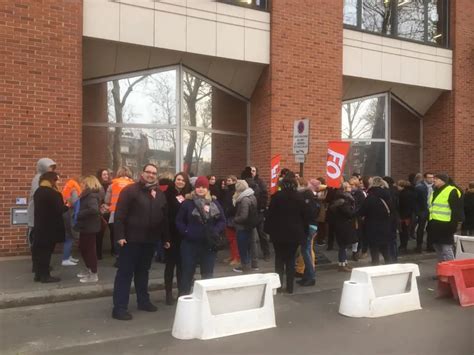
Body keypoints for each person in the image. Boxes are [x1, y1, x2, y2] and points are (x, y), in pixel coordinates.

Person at [112, 164, 170, 321]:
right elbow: (120, 215)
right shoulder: (130, 191)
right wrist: (120, 236)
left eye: (154, 173)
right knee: (125, 273)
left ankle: (143, 301)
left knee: (143, 272)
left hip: (149, 241)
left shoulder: (159, 193)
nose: (151, 175)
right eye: (148, 172)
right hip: (130, 240)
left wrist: (165, 239)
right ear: (142, 173)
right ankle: (119, 308)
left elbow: (163, 218)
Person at [176, 176, 226, 295]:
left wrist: (215, 230)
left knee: (207, 275)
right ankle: (184, 297)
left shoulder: (214, 202)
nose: (200, 189)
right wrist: (186, 231)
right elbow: (179, 221)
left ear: (207, 189)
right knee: (187, 273)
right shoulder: (188, 203)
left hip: (208, 244)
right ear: (195, 188)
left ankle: (205, 299)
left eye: (203, 187)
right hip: (190, 244)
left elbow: (222, 220)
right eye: (198, 187)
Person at [265, 173, 309, 294]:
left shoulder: (276, 197)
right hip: (294, 234)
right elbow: (305, 217)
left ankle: (278, 286)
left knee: (279, 259)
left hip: (278, 233)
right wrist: (304, 233)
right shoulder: (299, 198)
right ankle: (290, 287)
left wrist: (268, 230)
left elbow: (269, 216)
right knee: (290, 260)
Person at [32, 171, 67, 283]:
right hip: (50, 228)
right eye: (56, 180)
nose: (58, 182)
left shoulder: (38, 191)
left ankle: (38, 274)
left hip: (39, 226)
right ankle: (45, 276)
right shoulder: (53, 193)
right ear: (52, 180)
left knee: (40, 252)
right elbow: (60, 209)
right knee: (46, 253)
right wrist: (67, 206)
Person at [164, 172, 192, 305]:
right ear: (174, 180)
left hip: (184, 236)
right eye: (178, 179)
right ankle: (168, 294)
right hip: (171, 235)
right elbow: (164, 216)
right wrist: (166, 237)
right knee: (170, 265)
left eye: (183, 180)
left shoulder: (188, 195)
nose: (180, 182)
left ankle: (182, 292)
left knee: (182, 266)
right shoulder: (168, 194)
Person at [27, 158, 57, 272]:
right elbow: (41, 195)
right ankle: (38, 266)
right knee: (37, 243)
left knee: (41, 243)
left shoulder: (45, 179)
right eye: (50, 167)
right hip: (37, 217)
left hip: (41, 216)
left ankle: (41, 266)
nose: (52, 169)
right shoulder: (38, 179)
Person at [427, 174, 463, 262]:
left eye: (436, 179)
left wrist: (453, 226)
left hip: (446, 225)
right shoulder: (435, 191)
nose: (433, 181)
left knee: (446, 249)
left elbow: (456, 210)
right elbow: (432, 208)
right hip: (435, 224)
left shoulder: (451, 191)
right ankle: (442, 272)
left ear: (442, 180)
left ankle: (451, 272)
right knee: (438, 248)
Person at [359, 176, 393, 265]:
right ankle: (390, 269)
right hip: (386, 226)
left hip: (372, 227)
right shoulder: (388, 196)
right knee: (385, 251)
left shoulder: (370, 197)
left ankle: (376, 268)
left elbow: (362, 212)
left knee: (374, 252)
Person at [74, 176, 102, 283]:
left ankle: (93, 274)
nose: (81, 185)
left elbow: (93, 209)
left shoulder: (91, 196)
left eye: (83, 183)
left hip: (89, 227)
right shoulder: (88, 195)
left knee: (89, 250)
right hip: (86, 226)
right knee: (83, 248)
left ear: (88, 184)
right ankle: (89, 270)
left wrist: (80, 214)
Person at [104, 167, 134, 261]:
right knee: (128, 234)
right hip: (130, 213)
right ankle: (128, 256)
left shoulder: (112, 184)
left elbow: (107, 200)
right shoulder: (133, 184)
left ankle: (118, 256)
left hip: (115, 212)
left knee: (117, 234)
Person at [296, 178, 320, 285]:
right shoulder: (313, 198)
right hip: (312, 226)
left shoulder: (306, 196)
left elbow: (307, 214)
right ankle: (307, 276)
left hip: (308, 227)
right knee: (307, 251)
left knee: (306, 251)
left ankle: (311, 276)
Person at [232, 180, 259, 273]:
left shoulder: (243, 199)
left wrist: (235, 219)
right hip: (251, 225)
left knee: (243, 246)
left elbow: (243, 216)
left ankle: (245, 266)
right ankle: (254, 264)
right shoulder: (252, 196)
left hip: (243, 226)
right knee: (252, 245)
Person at [330, 182, 356, 272]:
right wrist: (353, 210)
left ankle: (344, 262)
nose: (351, 187)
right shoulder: (344, 200)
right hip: (343, 224)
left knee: (343, 245)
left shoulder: (341, 199)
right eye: (349, 186)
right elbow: (348, 213)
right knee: (343, 245)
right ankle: (342, 265)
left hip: (340, 224)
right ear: (345, 188)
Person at [251, 166, 271, 261]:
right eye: (250, 171)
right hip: (249, 211)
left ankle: (266, 253)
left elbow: (265, 195)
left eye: (253, 170)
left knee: (262, 234)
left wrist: (262, 208)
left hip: (259, 211)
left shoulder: (260, 182)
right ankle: (250, 255)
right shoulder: (246, 182)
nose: (252, 172)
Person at [61, 177, 81, 266]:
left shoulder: (68, 188)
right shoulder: (74, 190)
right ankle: (65, 259)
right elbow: (75, 202)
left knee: (69, 236)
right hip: (70, 215)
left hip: (66, 214)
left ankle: (68, 256)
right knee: (69, 237)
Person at [222, 175, 240, 266]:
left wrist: (227, 211)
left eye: (229, 180)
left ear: (234, 181)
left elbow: (233, 205)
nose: (227, 182)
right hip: (228, 216)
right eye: (227, 180)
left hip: (232, 217)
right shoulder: (228, 191)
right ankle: (233, 256)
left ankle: (236, 257)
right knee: (230, 238)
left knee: (234, 238)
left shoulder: (234, 192)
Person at [415, 172, 434, 252]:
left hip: (432, 210)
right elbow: (416, 200)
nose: (431, 179)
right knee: (421, 228)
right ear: (425, 178)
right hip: (423, 210)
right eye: (429, 177)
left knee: (431, 229)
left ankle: (430, 246)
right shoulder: (419, 187)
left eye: (432, 177)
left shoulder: (435, 187)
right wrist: (418, 211)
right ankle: (419, 246)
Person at [397, 179, 417, 254]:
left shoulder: (403, 194)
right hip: (409, 214)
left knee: (403, 231)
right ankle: (404, 245)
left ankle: (403, 245)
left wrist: (403, 215)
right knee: (405, 230)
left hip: (404, 215)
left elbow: (402, 205)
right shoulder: (411, 192)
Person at [96, 169, 111, 260]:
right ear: (100, 176)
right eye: (104, 174)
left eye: (107, 174)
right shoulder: (98, 186)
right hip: (101, 212)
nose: (106, 176)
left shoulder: (111, 185)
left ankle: (113, 250)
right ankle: (98, 253)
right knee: (99, 233)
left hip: (109, 211)